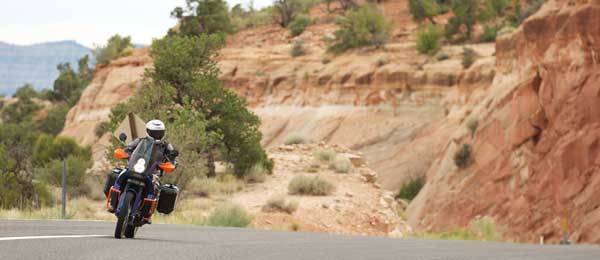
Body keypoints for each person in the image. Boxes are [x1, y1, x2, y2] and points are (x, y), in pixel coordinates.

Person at [109, 119, 178, 217]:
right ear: (148, 131)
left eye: (159, 132)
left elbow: (173, 158)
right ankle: (113, 203)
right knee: (120, 174)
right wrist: (125, 153)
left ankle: (147, 212)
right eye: (154, 132)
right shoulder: (140, 141)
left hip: (153, 172)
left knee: (155, 186)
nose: (156, 135)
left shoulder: (166, 145)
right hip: (135, 167)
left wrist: (172, 163)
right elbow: (128, 149)